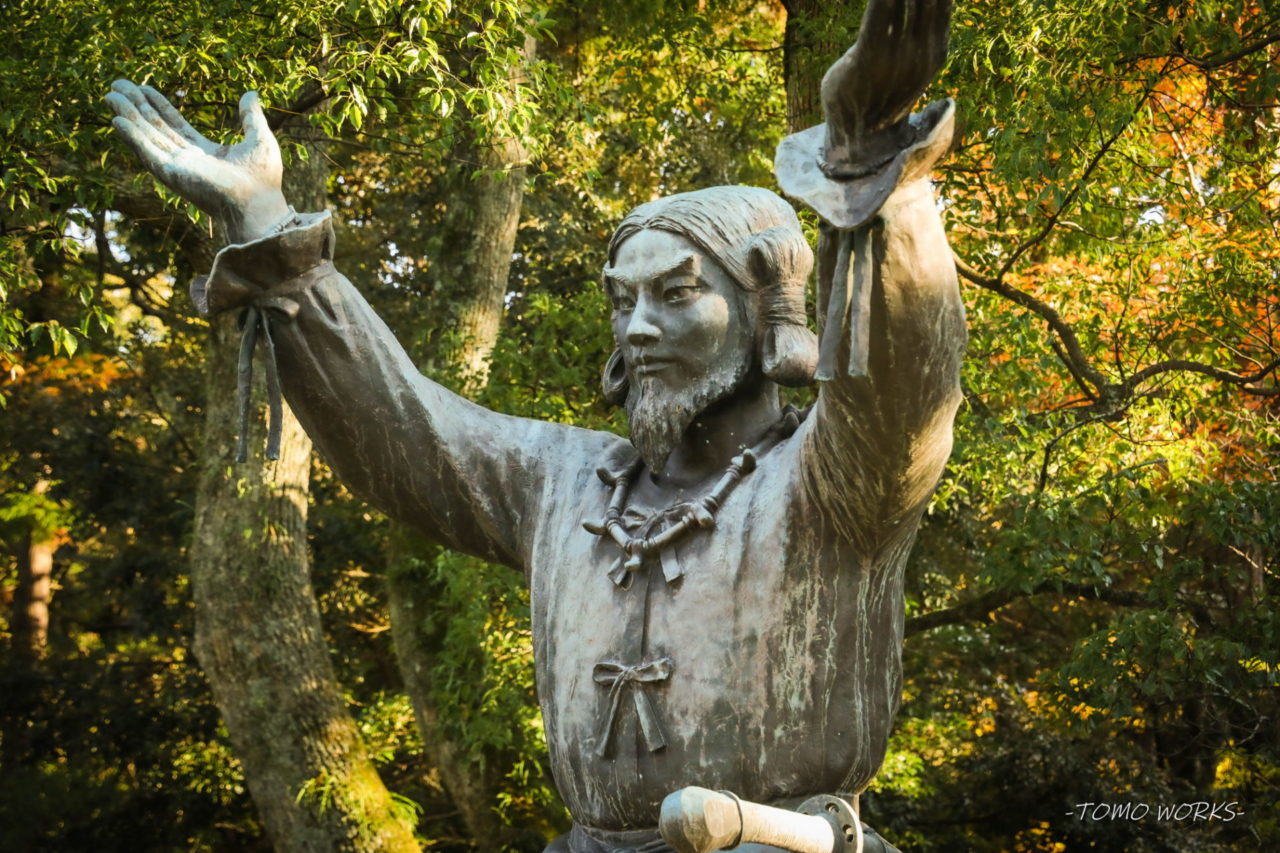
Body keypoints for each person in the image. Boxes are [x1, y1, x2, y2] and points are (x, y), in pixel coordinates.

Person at [106, 2, 963, 850]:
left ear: (765, 304)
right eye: (622, 300)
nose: (637, 328)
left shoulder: (831, 480)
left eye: (676, 294)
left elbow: (904, 384)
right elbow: (405, 428)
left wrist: (878, 177)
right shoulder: (567, 481)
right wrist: (266, 224)